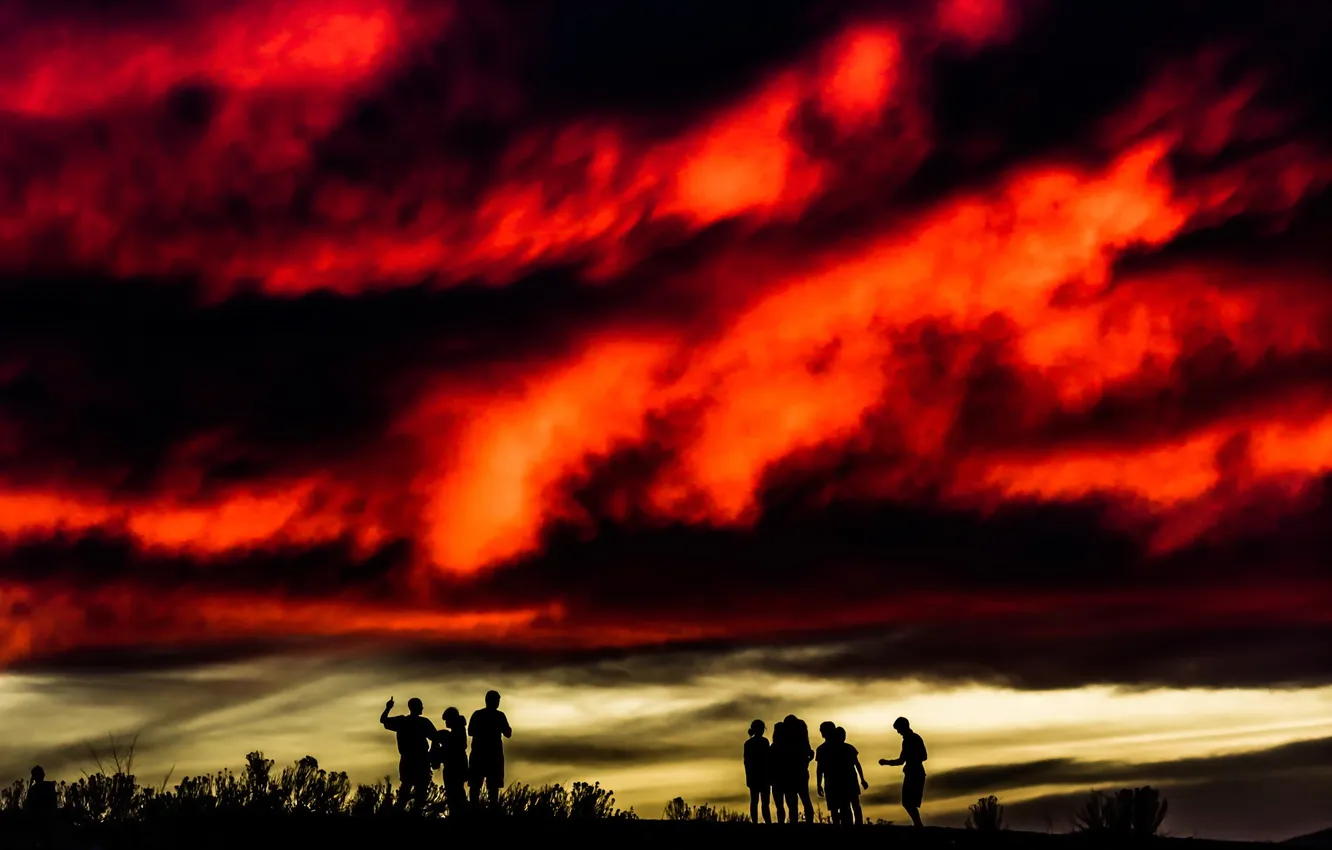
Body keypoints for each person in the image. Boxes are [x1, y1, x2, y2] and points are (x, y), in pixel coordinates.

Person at [380, 696, 436, 812]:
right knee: (419, 790)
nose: (422, 708)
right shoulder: (423, 722)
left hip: (409, 760)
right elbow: (435, 738)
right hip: (420, 760)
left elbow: (383, 720)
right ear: (417, 707)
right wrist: (432, 754)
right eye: (420, 706)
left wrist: (388, 708)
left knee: (406, 789)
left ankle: (401, 813)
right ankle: (413, 814)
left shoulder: (402, 721)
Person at [879, 716, 927, 827]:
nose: (898, 732)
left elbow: (923, 756)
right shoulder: (909, 740)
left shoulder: (912, 739)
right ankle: (918, 824)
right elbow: (902, 760)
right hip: (913, 773)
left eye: (898, 729)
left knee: (909, 802)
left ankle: (918, 825)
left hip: (915, 773)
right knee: (908, 802)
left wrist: (887, 762)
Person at [468, 690, 512, 806]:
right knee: (490, 788)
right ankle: (490, 812)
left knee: (477, 786)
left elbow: (470, 731)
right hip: (492, 756)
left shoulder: (478, 714)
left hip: (481, 755)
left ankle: (475, 810)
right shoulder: (499, 716)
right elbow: (508, 733)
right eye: (497, 701)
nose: (497, 703)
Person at [432, 707, 469, 816]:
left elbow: (457, 747)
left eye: (447, 720)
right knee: (455, 793)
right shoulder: (458, 731)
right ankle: (458, 814)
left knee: (456, 794)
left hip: (455, 766)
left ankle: (459, 816)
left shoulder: (458, 732)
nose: (446, 722)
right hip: (454, 765)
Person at [815, 721, 849, 825]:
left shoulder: (824, 749)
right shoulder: (822, 749)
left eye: (823, 730)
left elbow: (820, 768)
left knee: (842, 807)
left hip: (837, 780)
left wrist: (819, 783)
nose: (821, 732)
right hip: (832, 780)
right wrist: (818, 783)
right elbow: (820, 768)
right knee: (837, 807)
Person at [783, 714, 815, 822]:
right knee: (805, 798)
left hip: (790, 773)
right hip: (801, 771)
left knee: (793, 801)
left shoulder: (787, 745)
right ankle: (808, 822)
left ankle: (794, 822)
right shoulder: (803, 744)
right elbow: (810, 754)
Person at [836, 726, 869, 825]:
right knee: (849, 805)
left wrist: (862, 779)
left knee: (851, 804)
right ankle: (851, 823)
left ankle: (855, 823)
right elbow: (857, 764)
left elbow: (857, 764)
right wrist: (862, 779)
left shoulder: (848, 748)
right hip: (847, 780)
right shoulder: (847, 748)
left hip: (849, 780)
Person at [743, 719, 772, 824]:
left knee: (755, 801)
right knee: (763, 802)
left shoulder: (749, 743)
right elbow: (768, 760)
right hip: (763, 776)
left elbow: (746, 762)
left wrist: (748, 776)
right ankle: (766, 822)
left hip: (755, 776)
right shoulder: (764, 742)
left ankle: (756, 822)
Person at [770, 721, 798, 824]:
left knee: (781, 805)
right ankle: (791, 823)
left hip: (779, 779)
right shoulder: (790, 746)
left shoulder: (773, 747)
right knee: (791, 804)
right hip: (788, 778)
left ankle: (782, 823)